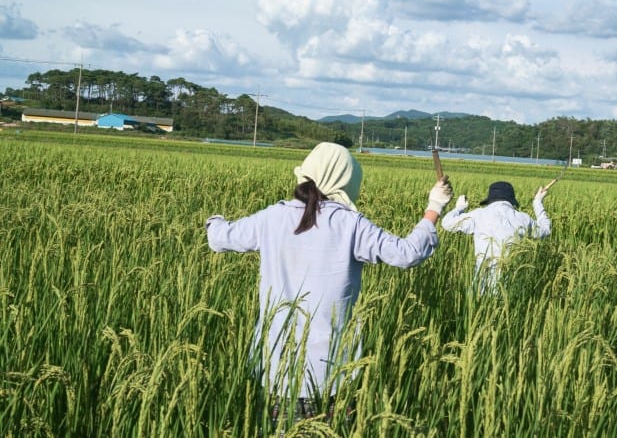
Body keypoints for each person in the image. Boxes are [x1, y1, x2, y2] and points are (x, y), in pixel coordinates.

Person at [205, 142, 453, 418]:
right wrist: (434, 208)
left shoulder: (271, 217)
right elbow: (407, 253)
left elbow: (218, 237)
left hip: (276, 369)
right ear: (346, 180)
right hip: (333, 372)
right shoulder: (350, 224)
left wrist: (214, 220)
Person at [441, 180, 550, 289]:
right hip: (511, 282)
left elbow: (447, 223)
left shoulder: (478, 214)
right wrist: (537, 202)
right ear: (511, 200)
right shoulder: (523, 218)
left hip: (481, 281)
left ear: (490, 199)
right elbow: (546, 230)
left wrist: (459, 208)